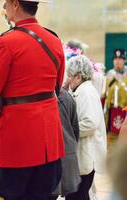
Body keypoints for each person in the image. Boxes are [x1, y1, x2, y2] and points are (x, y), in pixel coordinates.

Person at [0, 0, 65, 199]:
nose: (4, 7)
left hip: (16, 142)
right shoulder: (54, 39)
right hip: (49, 141)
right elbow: (58, 85)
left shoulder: (5, 42)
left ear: (16, 4)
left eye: (6, 3)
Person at [66, 55, 107, 200]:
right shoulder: (81, 91)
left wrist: (67, 132)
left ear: (78, 76)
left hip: (88, 155)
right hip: (84, 154)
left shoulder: (86, 93)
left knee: (78, 195)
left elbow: (90, 124)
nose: (68, 79)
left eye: (70, 76)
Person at [50, 88, 81, 200]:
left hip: (47, 161)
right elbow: (75, 130)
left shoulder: (36, 96)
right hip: (66, 156)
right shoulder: (67, 97)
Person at [105, 49, 127, 141]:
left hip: (125, 111)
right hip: (112, 112)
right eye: (115, 59)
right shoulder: (109, 74)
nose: (117, 61)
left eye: (120, 59)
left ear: (124, 60)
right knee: (111, 141)